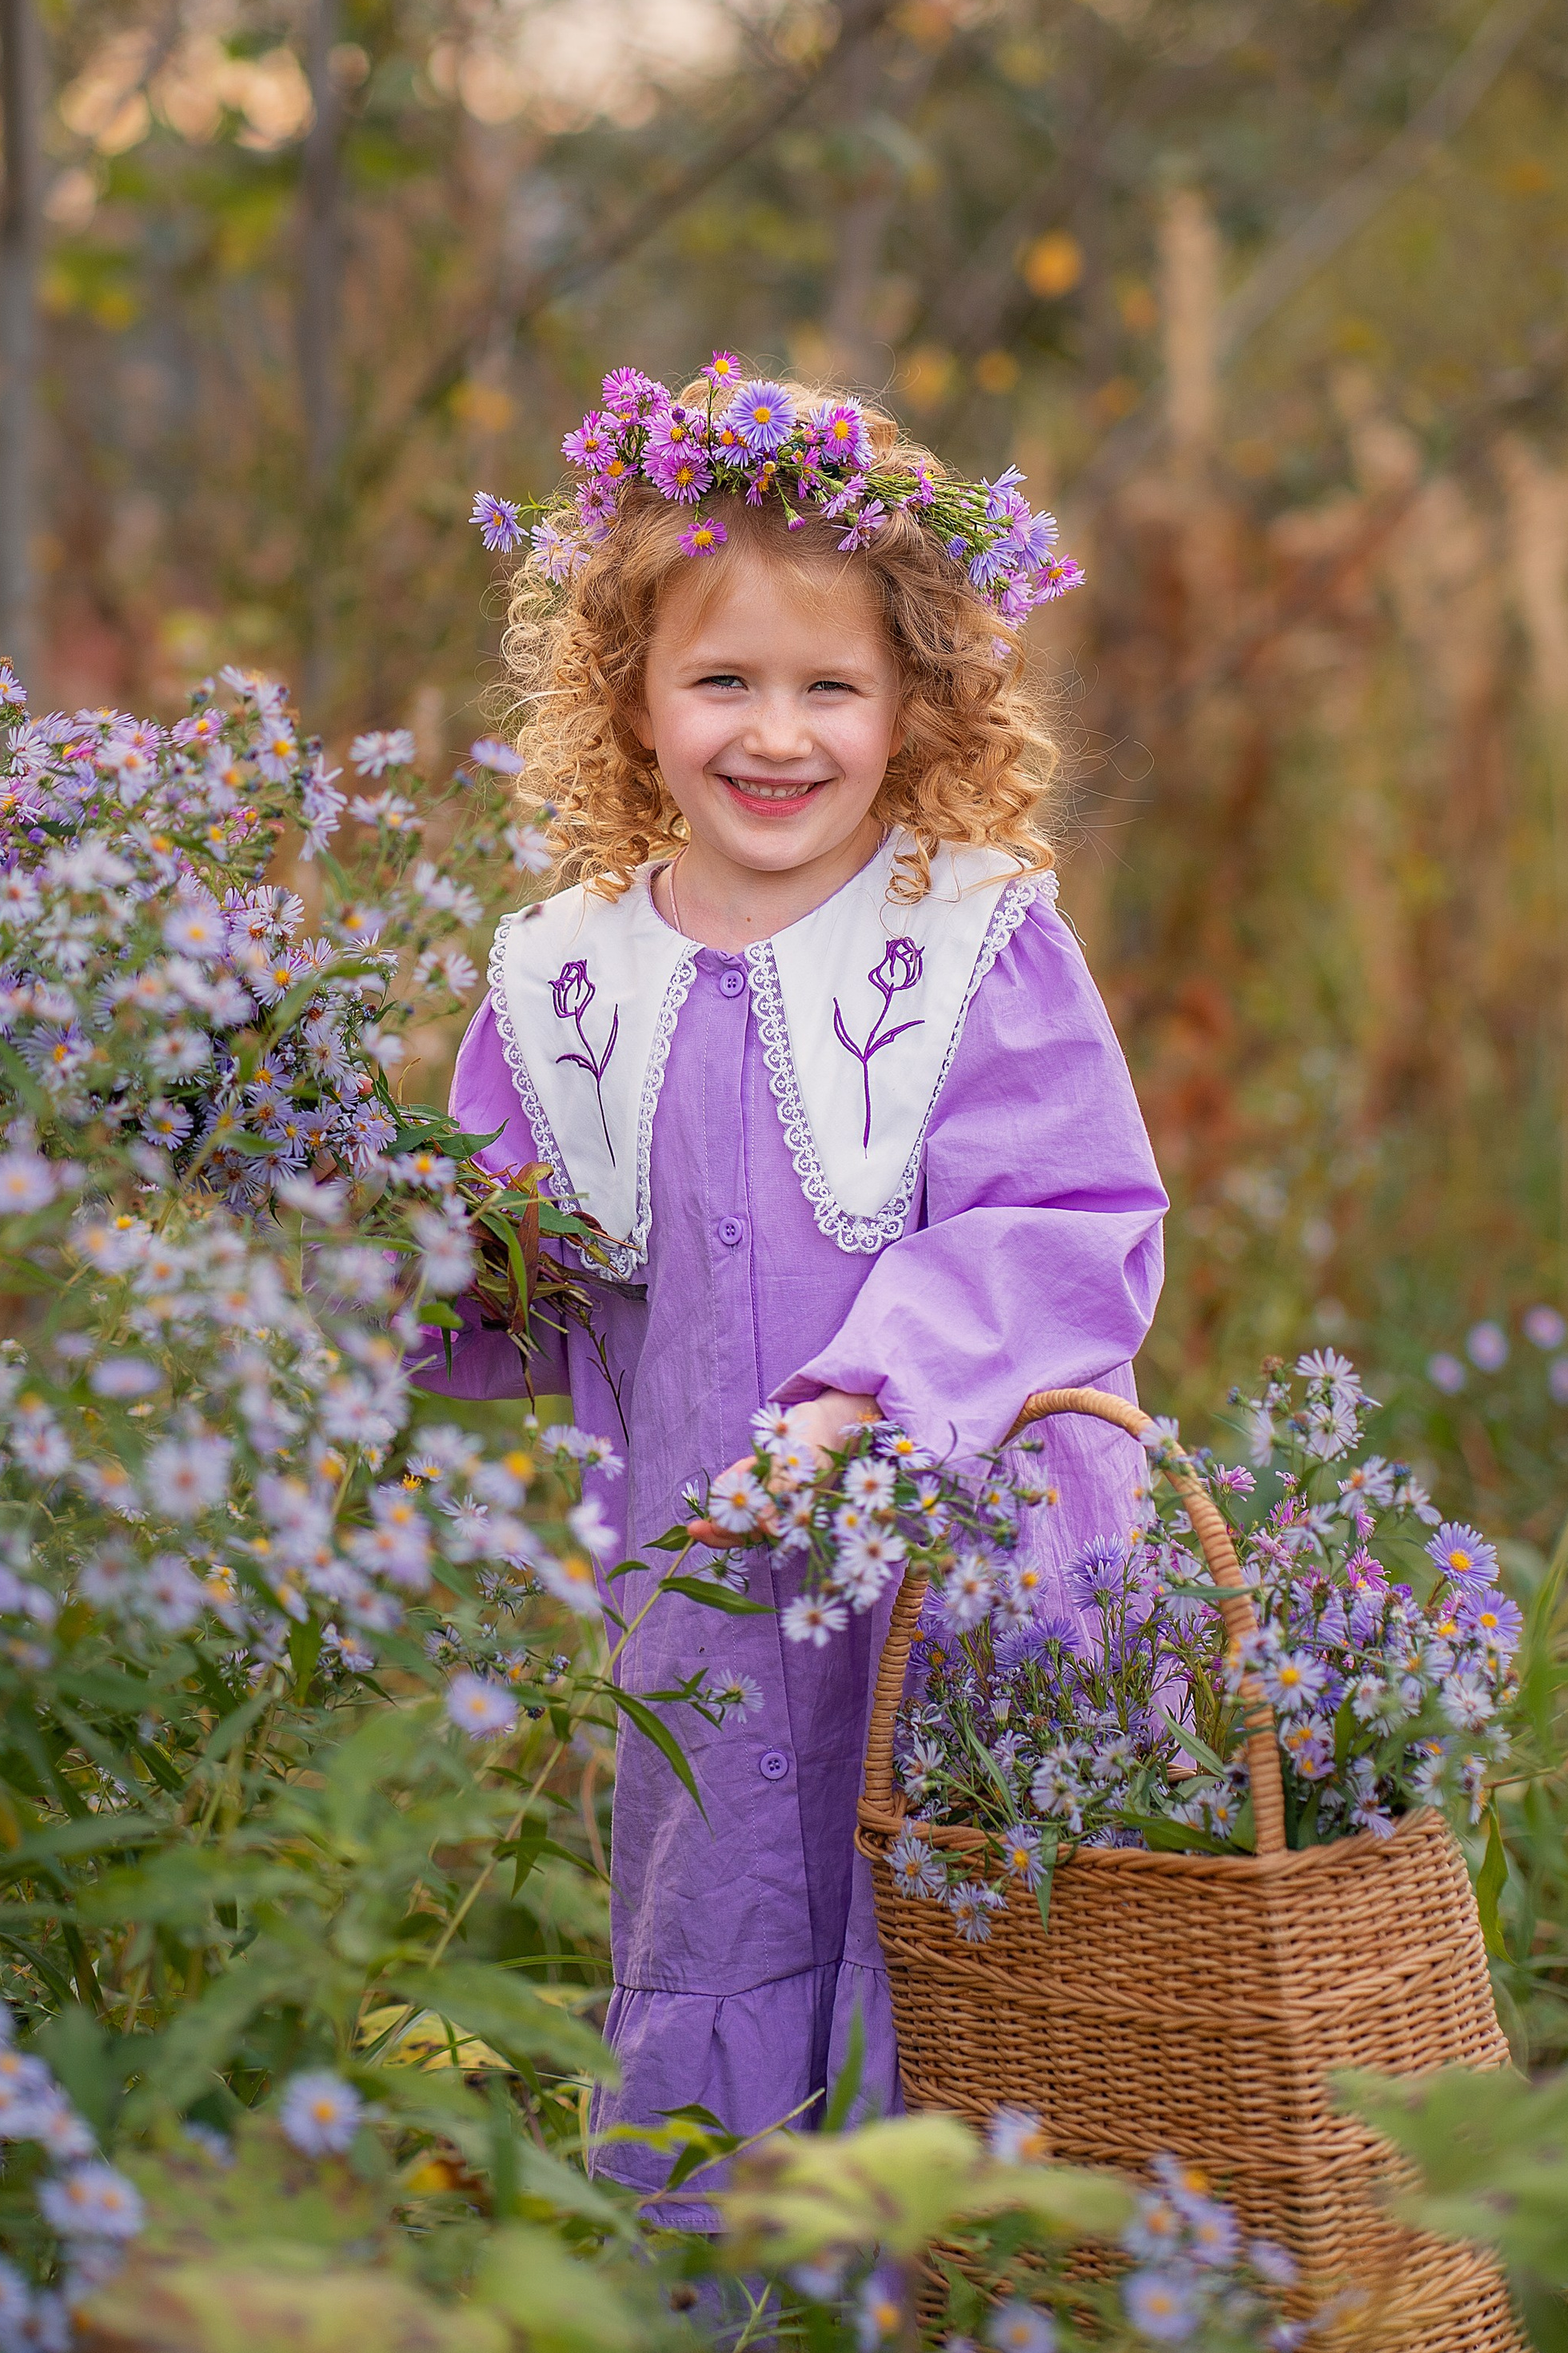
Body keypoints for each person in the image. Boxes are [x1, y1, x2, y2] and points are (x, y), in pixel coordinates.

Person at [429, 357, 1167, 2229]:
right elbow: (506, 1279)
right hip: (697, 1588)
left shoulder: (966, 937)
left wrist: (870, 1389)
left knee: (969, 1911)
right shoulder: (564, 980)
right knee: (722, 1900)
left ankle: (995, 2331)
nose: (777, 734)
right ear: (632, 698)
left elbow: (1060, 1222)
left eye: (828, 685)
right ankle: (747, 2352)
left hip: (950, 1566)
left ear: (914, 702)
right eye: (721, 681)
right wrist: (361, 1246)